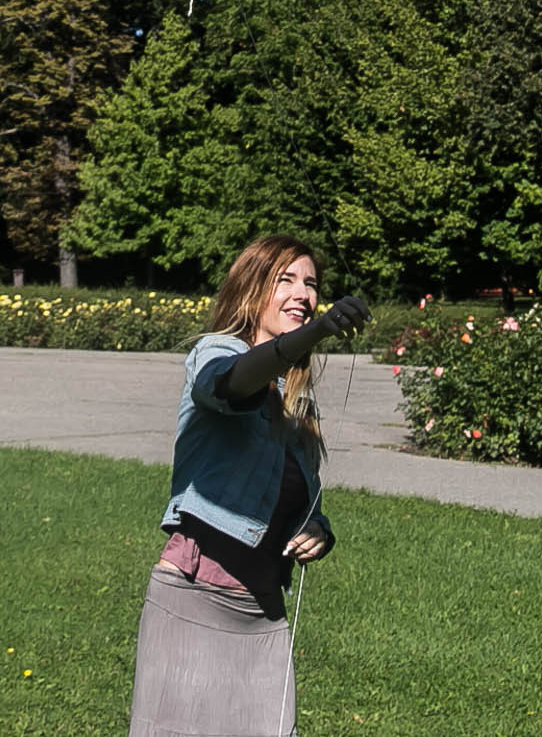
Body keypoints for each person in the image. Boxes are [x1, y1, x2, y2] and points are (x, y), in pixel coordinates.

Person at [129, 236, 370, 737]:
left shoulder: (300, 400)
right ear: (250, 288)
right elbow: (231, 384)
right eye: (286, 279)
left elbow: (299, 499)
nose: (303, 294)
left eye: (311, 284)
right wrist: (318, 332)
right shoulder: (215, 351)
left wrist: (319, 532)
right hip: (195, 596)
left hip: (263, 613)